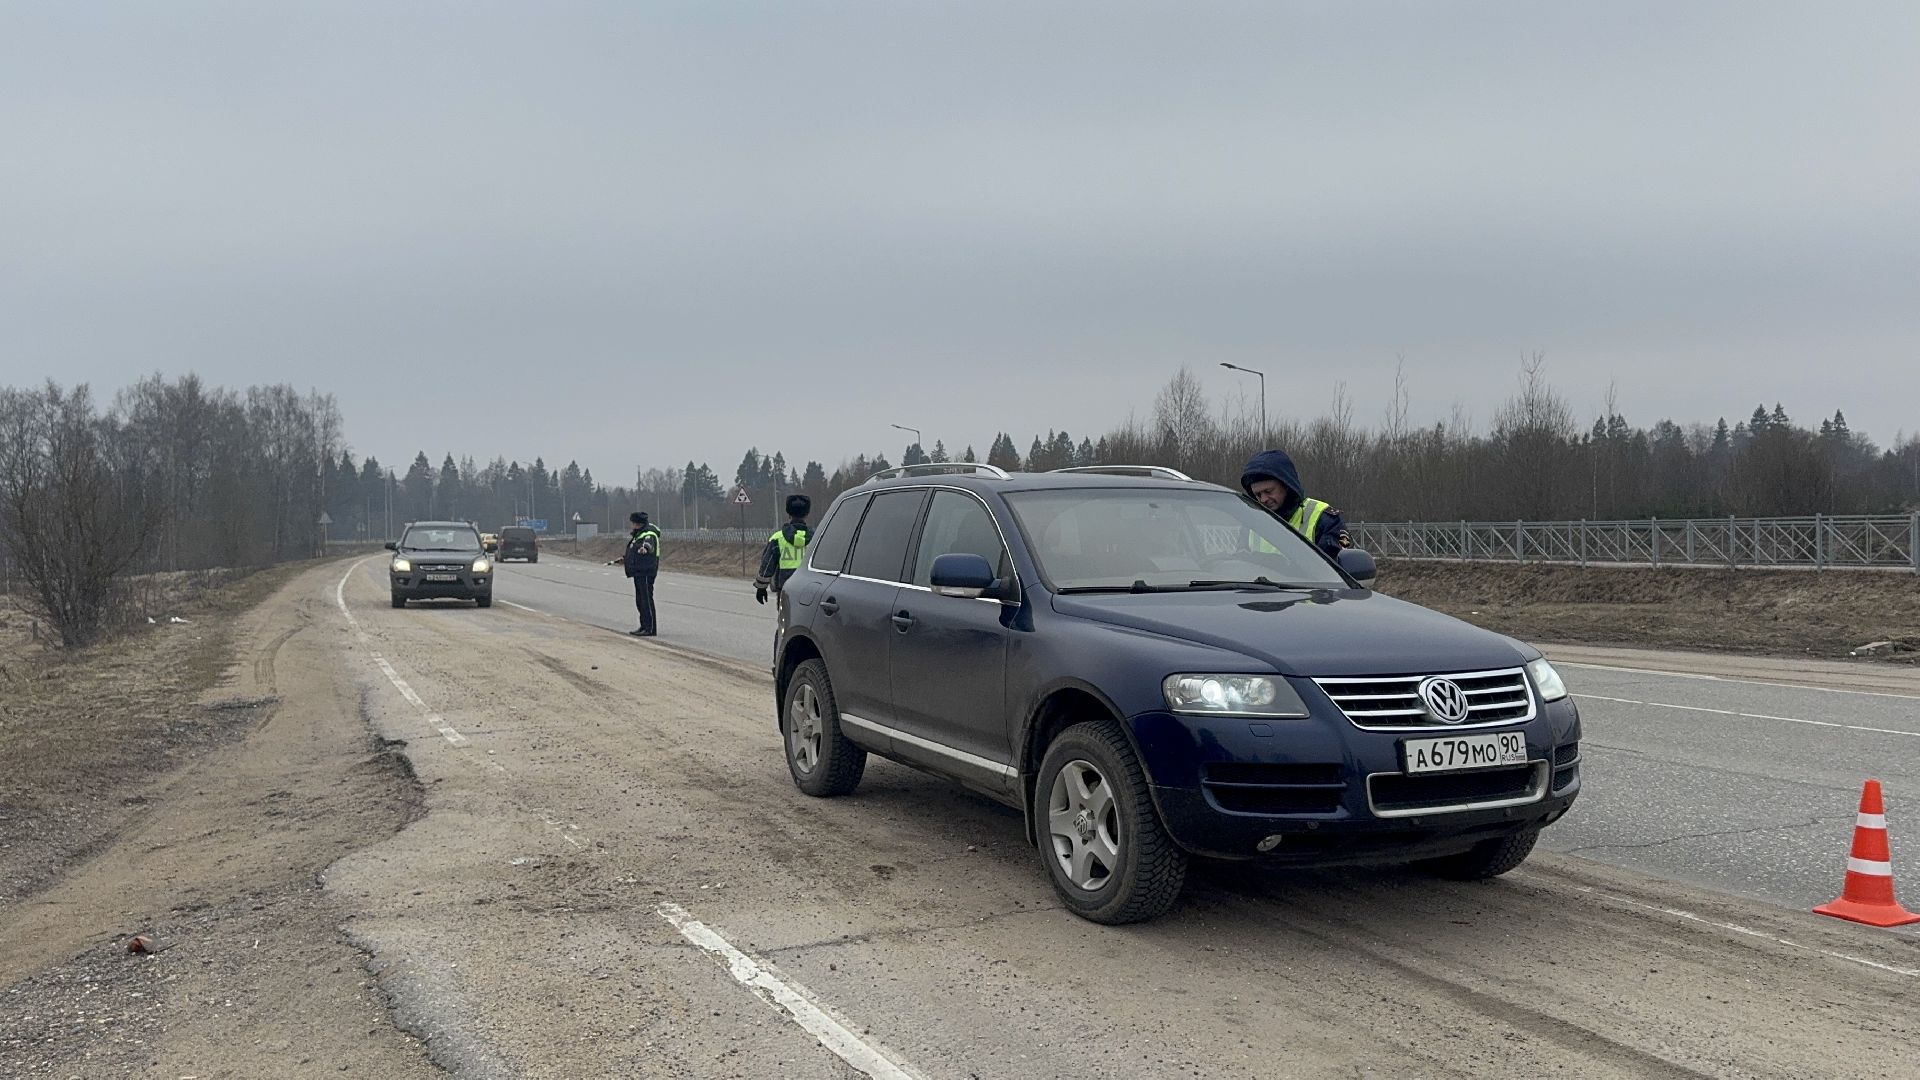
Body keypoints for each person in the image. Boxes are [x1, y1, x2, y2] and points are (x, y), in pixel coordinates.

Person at [1239, 449, 1351, 559]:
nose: (1263, 499)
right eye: (1258, 495)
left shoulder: (1325, 519)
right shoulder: (1251, 523)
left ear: (1287, 486)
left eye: (1268, 492)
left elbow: (1340, 569)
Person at [754, 494, 811, 606]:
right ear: (807, 514)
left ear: (788, 514)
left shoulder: (777, 538)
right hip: (810, 591)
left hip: (785, 590)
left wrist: (761, 588)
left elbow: (767, 565)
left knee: (786, 621)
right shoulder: (816, 539)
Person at [620, 511, 662, 636]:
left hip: (646, 571)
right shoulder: (639, 534)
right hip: (639, 571)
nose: (632, 526)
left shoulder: (649, 534)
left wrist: (646, 549)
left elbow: (648, 544)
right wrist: (625, 559)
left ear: (638, 523)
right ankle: (643, 625)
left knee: (646, 600)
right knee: (640, 600)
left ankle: (650, 628)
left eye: (633, 523)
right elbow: (635, 550)